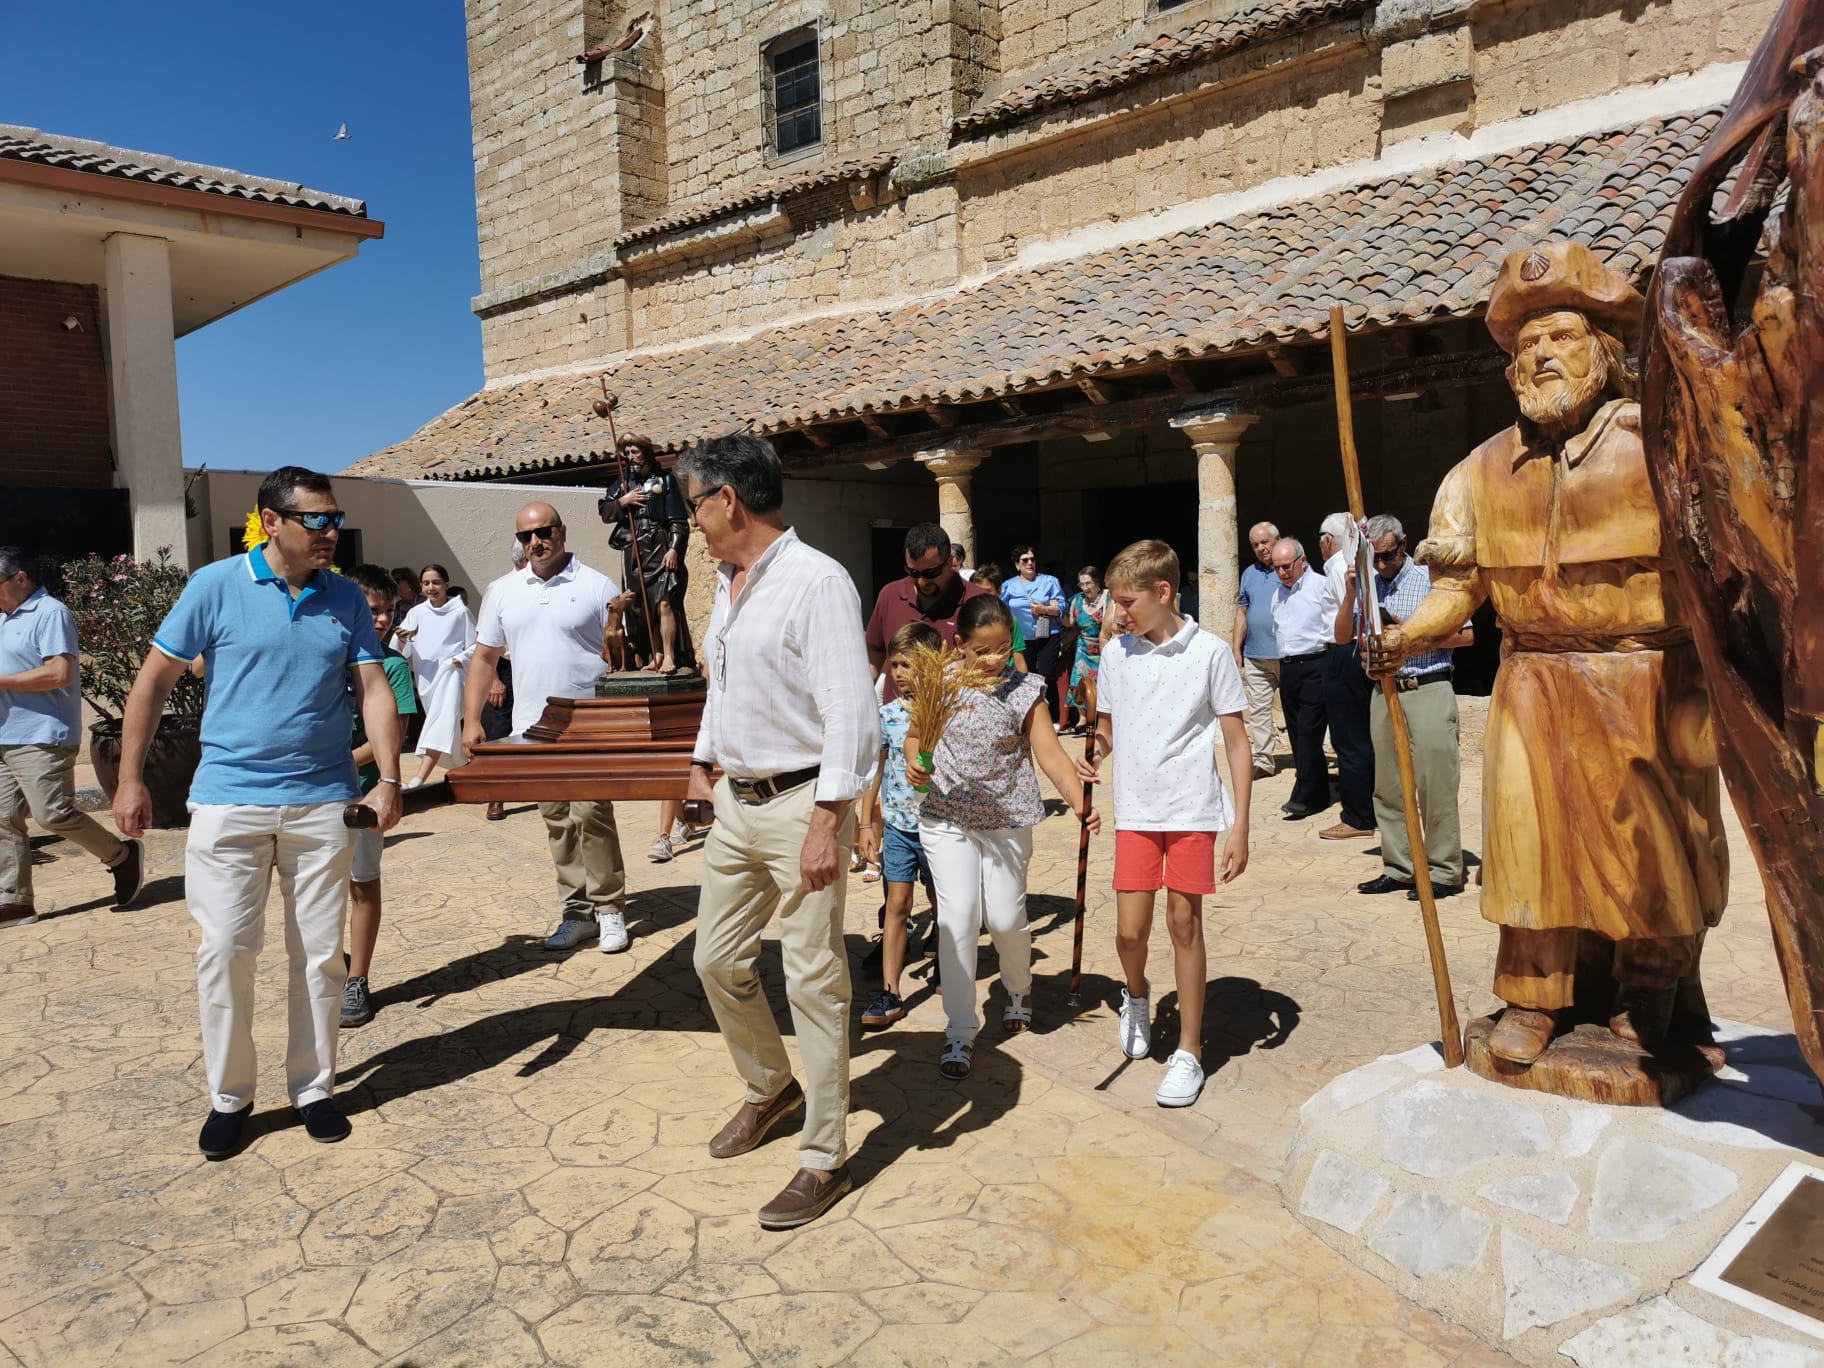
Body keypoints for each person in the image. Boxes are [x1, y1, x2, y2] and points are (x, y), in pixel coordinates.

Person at [1371, 240, 1730, 1069]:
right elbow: (1461, 592)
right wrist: (1404, 637)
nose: (1540, 356)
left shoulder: (1665, 449)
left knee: (1657, 850)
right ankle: (1532, 997)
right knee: (1527, 848)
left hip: (1648, 676)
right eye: (1527, 345)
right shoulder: (1482, 470)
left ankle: (1650, 995)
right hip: (1531, 682)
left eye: (1560, 338)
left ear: (1604, 351)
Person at [113, 467, 402, 1159]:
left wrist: (389, 778)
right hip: (229, 800)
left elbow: (373, 689)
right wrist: (129, 779)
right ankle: (229, 1098)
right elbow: (152, 682)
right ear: (272, 521)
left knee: (318, 959)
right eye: (319, 521)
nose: (333, 532)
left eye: (336, 519)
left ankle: (312, 1087)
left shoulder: (344, 599)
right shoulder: (215, 586)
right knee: (223, 953)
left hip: (321, 802)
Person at [681, 431, 878, 1231]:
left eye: (694, 505)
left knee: (813, 981)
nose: (689, 522)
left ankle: (822, 1154)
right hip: (738, 803)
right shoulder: (729, 586)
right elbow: (725, 684)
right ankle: (771, 1088)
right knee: (714, 958)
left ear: (729, 499)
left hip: (803, 806)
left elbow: (853, 715)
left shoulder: (816, 582)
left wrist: (829, 823)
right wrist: (703, 757)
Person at [1082, 539, 1250, 1107]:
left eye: (1127, 602)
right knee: (1130, 931)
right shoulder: (1114, 655)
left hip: (1190, 808)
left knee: (1184, 923)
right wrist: (1095, 752)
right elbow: (1106, 725)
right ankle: (1137, 995)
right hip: (1135, 809)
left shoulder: (1210, 652)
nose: (1117, 613)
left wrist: (1241, 826)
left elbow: (1235, 740)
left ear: (1163, 592)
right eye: (1113, 600)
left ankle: (1189, 1051)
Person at [906, 594, 1099, 1080]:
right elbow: (915, 736)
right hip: (946, 816)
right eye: (980, 651)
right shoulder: (938, 686)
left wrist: (1079, 802)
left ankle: (1018, 985)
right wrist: (914, 759)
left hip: (1007, 818)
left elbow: (1051, 756)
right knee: (958, 917)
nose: (992, 661)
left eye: (1000, 649)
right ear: (958, 645)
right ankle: (960, 1029)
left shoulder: (1025, 688)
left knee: (1008, 917)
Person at [462, 504, 630, 953]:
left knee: (592, 814)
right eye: (526, 536)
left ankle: (610, 908)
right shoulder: (502, 591)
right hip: (533, 728)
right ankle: (577, 913)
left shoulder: (597, 586)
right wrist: (472, 720)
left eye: (543, 531)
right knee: (556, 820)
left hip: (589, 724)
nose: (535, 542)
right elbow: (484, 658)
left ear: (561, 531)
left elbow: (622, 654)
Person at [0, 550, 143, 925]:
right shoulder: (3, 617)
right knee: (2, 817)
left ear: (21, 578)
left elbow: (58, 673)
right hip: (4, 733)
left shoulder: (50, 613)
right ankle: (15, 901)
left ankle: (122, 857)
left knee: (52, 814)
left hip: (42, 733)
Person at [1341, 516, 1471, 901]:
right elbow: (1348, 635)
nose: (1382, 565)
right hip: (1384, 691)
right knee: (1389, 787)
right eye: (1375, 558)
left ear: (1404, 544)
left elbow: (1466, 635)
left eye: (1389, 556)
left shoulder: (1431, 581)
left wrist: (1408, 634)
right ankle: (1400, 866)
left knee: (1436, 785)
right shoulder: (1368, 586)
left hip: (1427, 685)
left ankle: (1444, 870)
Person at [341, 565, 421, 1027]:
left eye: (388, 611)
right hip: (314, 796)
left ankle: (357, 979)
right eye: (372, 610)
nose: (382, 620)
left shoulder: (392, 666)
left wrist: (344, 763)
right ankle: (334, 965)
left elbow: (393, 734)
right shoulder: (329, 661)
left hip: (363, 796)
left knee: (362, 883)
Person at [856, 620, 943, 1028]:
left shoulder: (946, 714)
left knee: (942, 902)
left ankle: (946, 962)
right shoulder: (886, 714)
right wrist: (866, 823)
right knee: (897, 904)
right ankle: (890, 991)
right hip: (899, 830)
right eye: (894, 666)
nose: (899, 674)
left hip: (939, 829)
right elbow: (876, 771)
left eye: (908, 665)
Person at [865, 523, 990, 702]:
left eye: (931, 572)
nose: (922, 581)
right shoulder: (890, 595)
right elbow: (874, 656)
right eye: (913, 572)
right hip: (895, 723)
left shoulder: (978, 602)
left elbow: (992, 666)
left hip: (953, 721)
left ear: (951, 562)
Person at [601, 437, 695, 675]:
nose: (630, 457)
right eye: (627, 452)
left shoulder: (665, 480)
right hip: (634, 547)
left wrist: (674, 547)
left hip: (659, 544)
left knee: (664, 601)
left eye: (635, 452)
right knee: (642, 605)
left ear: (645, 453)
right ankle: (655, 654)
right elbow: (605, 511)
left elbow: (678, 520)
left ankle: (670, 655)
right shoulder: (624, 483)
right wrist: (624, 501)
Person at [1270, 537, 1337, 821]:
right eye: (1277, 568)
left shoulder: (1320, 586)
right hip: (1289, 668)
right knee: (1297, 733)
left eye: (1287, 566)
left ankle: (1304, 795)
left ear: (1302, 561)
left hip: (1315, 663)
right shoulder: (1278, 594)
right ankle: (1318, 789)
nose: (1283, 572)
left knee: (1310, 731)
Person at [1318, 512, 1375, 840]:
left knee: (1348, 738)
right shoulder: (1351, 566)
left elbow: (1345, 622)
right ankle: (1369, 807)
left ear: (1328, 540)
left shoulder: (1341, 570)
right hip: (1353, 653)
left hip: (1344, 652)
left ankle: (1358, 816)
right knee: (1362, 737)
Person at [395, 563, 474, 790]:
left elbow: (474, 647)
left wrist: (458, 660)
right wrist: (404, 638)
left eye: (436, 582)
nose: (431, 587)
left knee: (441, 721)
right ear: (421, 586)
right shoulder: (416, 613)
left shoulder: (461, 612)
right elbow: (401, 649)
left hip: (452, 676)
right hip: (427, 679)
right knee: (445, 725)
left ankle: (420, 776)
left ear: (446, 584)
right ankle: (465, 766)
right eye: (427, 583)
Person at [1232, 521, 1283, 779]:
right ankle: (1263, 760)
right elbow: (1242, 612)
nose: (1261, 548)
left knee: (1299, 710)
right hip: (1255, 654)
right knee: (1259, 709)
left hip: (1288, 655)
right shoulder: (1249, 574)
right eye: (1255, 545)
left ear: (1277, 539)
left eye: (1265, 542)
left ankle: (1308, 759)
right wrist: (1236, 647)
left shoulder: (1290, 569)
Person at [999, 547, 1065, 726]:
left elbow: (1061, 605)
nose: (1030, 563)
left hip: (1048, 635)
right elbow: (1000, 610)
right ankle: (1028, 717)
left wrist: (1045, 609)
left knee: (1046, 674)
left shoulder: (1050, 581)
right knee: (1024, 676)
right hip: (1022, 638)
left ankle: (1052, 717)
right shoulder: (1008, 585)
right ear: (1017, 565)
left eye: (1032, 559)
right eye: (1025, 560)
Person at [1062, 564, 1110, 735]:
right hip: (1084, 647)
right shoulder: (1077, 600)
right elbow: (1070, 624)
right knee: (1078, 681)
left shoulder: (1109, 598)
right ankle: (1082, 719)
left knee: (1102, 684)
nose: (1085, 588)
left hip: (1105, 647)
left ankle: (1100, 721)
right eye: (1081, 584)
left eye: (1088, 583)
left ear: (1097, 582)